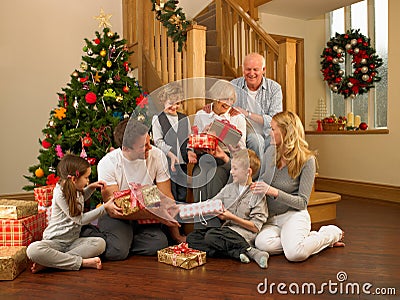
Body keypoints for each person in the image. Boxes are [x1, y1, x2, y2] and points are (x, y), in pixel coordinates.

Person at [81, 118, 184, 261]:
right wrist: (157, 215)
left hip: (146, 215)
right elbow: (115, 209)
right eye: (143, 146)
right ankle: (88, 231)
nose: (150, 147)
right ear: (126, 149)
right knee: (117, 252)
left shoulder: (157, 155)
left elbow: (167, 197)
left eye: (149, 141)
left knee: (158, 244)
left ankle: (124, 241)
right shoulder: (108, 163)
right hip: (120, 216)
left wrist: (177, 236)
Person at [251, 111, 344, 262]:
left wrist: (273, 191)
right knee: (261, 244)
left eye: (273, 129)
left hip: (293, 215)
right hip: (271, 218)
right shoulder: (270, 153)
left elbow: (302, 202)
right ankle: (302, 240)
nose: (269, 133)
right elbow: (254, 177)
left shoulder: (307, 160)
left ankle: (330, 234)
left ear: (285, 132)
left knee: (295, 255)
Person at [27, 154, 114, 273]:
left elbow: (80, 198)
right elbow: (80, 220)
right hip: (54, 242)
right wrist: (105, 207)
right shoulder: (60, 193)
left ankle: (51, 263)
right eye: (87, 177)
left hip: (73, 242)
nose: (88, 180)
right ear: (74, 179)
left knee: (100, 243)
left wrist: (91, 188)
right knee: (33, 250)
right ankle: (80, 263)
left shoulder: (77, 190)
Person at [187, 149, 269, 268]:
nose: (231, 172)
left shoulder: (257, 194)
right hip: (226, 232)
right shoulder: (229, 188)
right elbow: (212, 202)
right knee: (192, 238)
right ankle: (237, 253)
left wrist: (231, 217)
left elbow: (255, 227)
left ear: (248, 172)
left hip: (243, 234)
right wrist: (186, 209)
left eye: (235, 169)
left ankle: (251, 250)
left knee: (211, 236)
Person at [191, 80, 247, 214]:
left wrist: (226, 135)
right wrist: (204, 135)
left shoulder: (237, 118)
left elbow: (242, 148)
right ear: (215, 98)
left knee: (215, 177)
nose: (228, 103)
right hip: (205, 156)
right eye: (224, 99)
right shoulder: (201, 115)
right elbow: (194, 145)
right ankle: (201, 221)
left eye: (231, 100)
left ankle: (214, 221)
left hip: (226, 157)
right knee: (198, 175)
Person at [231, 52, 283, 157]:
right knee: (256, 140)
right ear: (243, 70)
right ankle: (259, 173)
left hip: (268, 131)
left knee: (277, 142)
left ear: (263, 70)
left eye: (255, 69)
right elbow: (222, 107)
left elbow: (275, 120)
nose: (251, 73)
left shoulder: (274, 88)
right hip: (243, 130)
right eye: (248, 69)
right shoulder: (233, 85)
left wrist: (247, 114)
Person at [151, 82, 197, 203]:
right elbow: (158, 141)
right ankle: (171, 220)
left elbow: (188, 140)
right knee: (170, 194)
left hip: (182, 164)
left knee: (183, 194)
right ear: (163, 101)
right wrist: (171, 154)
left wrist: (190, 152)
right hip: (166, 164)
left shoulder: (184, 118)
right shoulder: (158, 118)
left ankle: (180, 221)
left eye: (177, 103)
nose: (174, 106)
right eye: (170, 103)